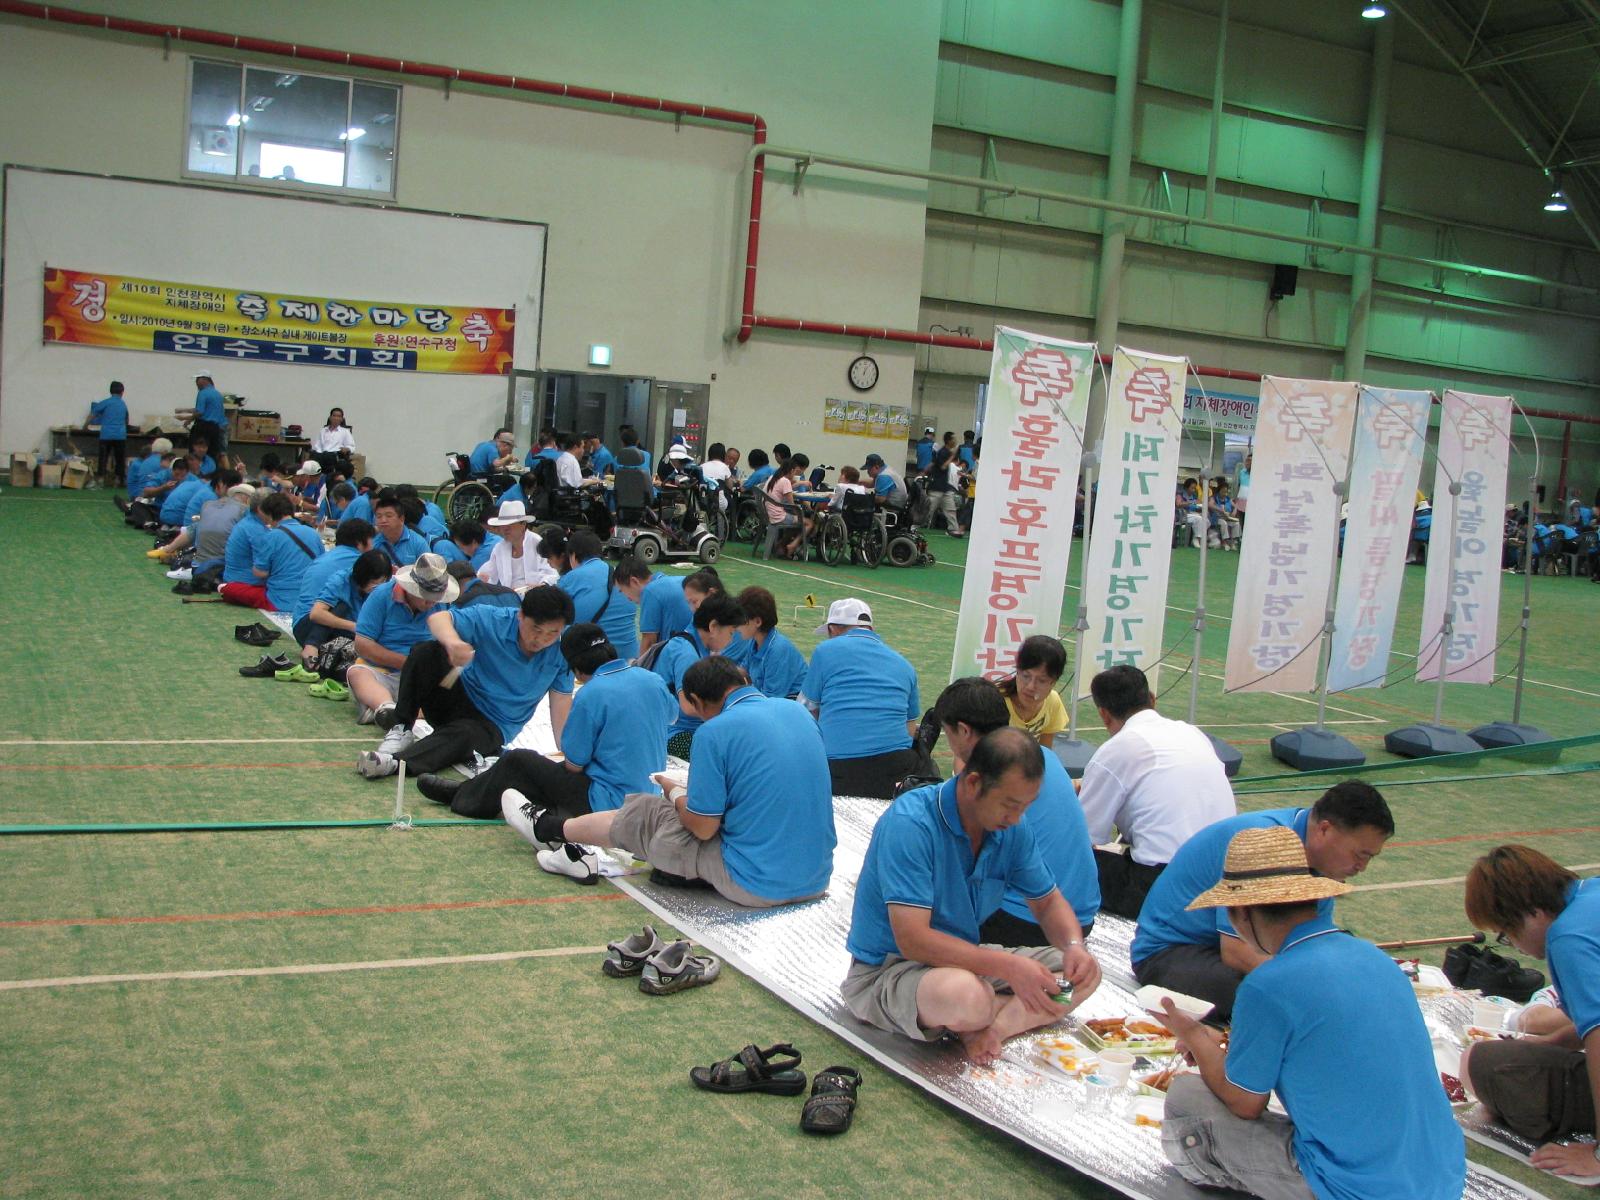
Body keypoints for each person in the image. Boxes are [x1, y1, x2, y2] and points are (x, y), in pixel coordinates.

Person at [1159, 825, 1465, 1200]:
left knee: (1187, 1096)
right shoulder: (1374, 958)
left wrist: (1193, 1036)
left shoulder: (1268, 983)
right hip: (1441, 1180)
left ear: (1240, 912)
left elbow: (1244, 1102)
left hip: (1353, 1188)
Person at [843, 727, 1102, 1064]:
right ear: (973, 783)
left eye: (1025, 807)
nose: (1016, 818)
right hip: (889, 970)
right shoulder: (912, 823)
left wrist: (1073, 947)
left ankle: (993, 1029)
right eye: (1010, 805)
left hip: (964, 957)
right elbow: (913, 941)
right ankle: (986, 1014)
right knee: (967, 996)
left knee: (1085, 973)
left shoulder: (1010, 828)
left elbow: (1048, 901)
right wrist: (1010, 968)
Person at [508, 656, 837, 902]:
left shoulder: (714, 731)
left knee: (649, 812)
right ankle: (559, 835)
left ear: (697, 701)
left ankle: (550, 831)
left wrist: (674, 792)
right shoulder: (796, 712)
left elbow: (703, 827)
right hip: (817, 875)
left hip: (757, 883)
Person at [1132, 780, 1394, 1021]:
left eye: (1370, 857)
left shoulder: (1322, 863)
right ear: (1324, 829)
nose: (1362, 866)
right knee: (1275, 1002)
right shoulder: (1260, 842)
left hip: (1232, 948)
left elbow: (1311, 943)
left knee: (1311, 995)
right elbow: (1236, 952)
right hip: (1171, 951)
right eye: (1360, 854)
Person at [420, 622, 677, 819]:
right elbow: (672, 716)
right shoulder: (651, 679)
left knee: (518, 760)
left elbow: (575, 764)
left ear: (575, 668)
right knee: (539, 775)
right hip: (647, 797)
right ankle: (471, 790)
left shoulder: (592, 692)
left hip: (604, 800)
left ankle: (463, 798)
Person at [1461, 845, 1599, 1175]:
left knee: (1485, 1064)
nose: (1515, 946)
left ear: (1531, 913)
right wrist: (1555, 1043)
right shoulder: (1590, 894)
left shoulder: (1568, 938)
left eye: (1507, 935)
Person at [937, 678, 1100, 947]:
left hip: (1026, 921)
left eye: (948, 733)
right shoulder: (1043, 756)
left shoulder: (982, 782)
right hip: (1077, 920)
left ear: (963, 731)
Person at [358, 581, 575, 781]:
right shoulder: (494, 619)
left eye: (552, 633)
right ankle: (402, 726)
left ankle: (395, 763)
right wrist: (453, 643)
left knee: (465, 735)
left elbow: (561, 708)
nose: (542, 639)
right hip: (459, 695)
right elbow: (438, 619)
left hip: (493, 725)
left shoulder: (563, 651)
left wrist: (568, 756)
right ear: (520, 615)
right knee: (427, 651)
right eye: (536, 629)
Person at [1076, 665, 1237, 918]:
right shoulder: (1191, 732)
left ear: (1104, 714)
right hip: (1225, 876)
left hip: (1164, 885)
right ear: (1152, 699)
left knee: (1069, 860)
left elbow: (1084, 837)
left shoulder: (1115, 749)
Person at [801, 598, 928, 799]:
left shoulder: (824, 652)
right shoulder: (905, 665)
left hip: (838, 771)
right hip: (896, 771)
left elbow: (805, 712)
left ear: (833, 629)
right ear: (871, 628)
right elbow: (910, 728)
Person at [348, 552, 456, 726]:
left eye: (435, 599)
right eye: (426, 598)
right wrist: (408, 663)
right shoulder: (382, 595)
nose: (431, 604)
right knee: (357, 673)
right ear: (410, 588)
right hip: (382, 671)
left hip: (423, 677)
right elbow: (362, 644)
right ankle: (387, 709)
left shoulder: (441, 605)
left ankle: (387, 709)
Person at [650, 591, 746, 759]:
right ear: (713, 627)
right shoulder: (686, 653)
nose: (730, 641)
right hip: (673, 734)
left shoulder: (696, 643)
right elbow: (688, 707)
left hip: (684, 729)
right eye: (731, 633)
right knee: (728, 756)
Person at [290, 518, 377, 657]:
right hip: (319, 626)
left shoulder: (325, 556)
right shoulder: (359, 565)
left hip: (299, 625)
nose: (374, 545)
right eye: (372, 540)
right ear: (361, 542)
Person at [557, 529, 639, 661]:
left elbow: (551, 614)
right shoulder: (621, 576)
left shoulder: (572, 578)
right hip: (630, 657)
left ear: (573, 555)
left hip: (593, 660)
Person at [250, 491, 324, 612]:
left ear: (270, 515)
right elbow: (321, 563)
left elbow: (260, 573)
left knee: (234, 589)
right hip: (311, 599)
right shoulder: (312, 533)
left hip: (280, 599)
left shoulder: (271, 536)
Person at [735, 586, 807, 700]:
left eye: (740, 619)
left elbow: (770, 701)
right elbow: (743, 671)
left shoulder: (778, 650)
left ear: (757, 622)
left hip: (793, 705)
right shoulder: (754, 641)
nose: (736, 626)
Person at [616, 554, 692, 659]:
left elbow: (649, 642)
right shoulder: (674, 581)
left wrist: (639, 670)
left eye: (622, 590)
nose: (627, 598)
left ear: (634, 581)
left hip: (682, 656)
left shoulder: (650, 591)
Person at [1000, 635, 1068, 747]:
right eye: (1026, 676)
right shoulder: (996, 701)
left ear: (1053, 682)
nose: (1031, 687)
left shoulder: (1052, 702)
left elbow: (1045, 753)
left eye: (1041, 681)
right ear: (1017, 671)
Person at [479, 500, 557, 591]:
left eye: (510, 524)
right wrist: (481, 577)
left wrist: (541, 585)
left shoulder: (537, 543)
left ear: (523, 524)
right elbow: (487, 573)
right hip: (509, 598)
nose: (505, 528)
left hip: (536, 596)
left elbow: (552, 574)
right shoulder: (499, 548)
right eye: (503, 524)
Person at [217, 492, 270, 607]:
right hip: (248, 583)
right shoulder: (256, 530)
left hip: (233, 579)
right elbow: (263, 568)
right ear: (261, 509)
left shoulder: (247, 523)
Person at [763, 452, 811, 559]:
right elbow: (792, 505)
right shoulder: (785, 481)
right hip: (778, 516)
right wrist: (800, 515)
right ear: (792, 470)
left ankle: (780, 545)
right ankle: (793, 545)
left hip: (768, 513)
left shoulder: (774, 477)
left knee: (796, 521)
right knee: (809, 523)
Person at [181, 373, 229, 468]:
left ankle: (195, 470)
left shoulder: (203, 393)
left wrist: (188, 420)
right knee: (215, 453)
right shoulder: (217, 394)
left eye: (197, 380)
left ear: (204, 380)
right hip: (216, 428)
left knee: (196, 451)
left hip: (203, 427)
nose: (196, 384)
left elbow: (200, 412)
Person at [371, 491, 430, 566]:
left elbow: (428, 573)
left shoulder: (418, 543)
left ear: (402, 519)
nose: (383, 520)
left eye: (389, 516)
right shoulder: (373, 543)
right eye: (379, 516)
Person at [88, 381, 129, 485]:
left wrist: (85, 425)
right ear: (122, 392)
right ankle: (119, 480)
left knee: (103, 458)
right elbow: (126, 420)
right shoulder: (123, 404)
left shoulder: (106, 402)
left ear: (110, 391)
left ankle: (101, 479)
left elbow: (93, 414)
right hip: (120, 435)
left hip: (106, 435)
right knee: (119, 459)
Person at [929, 433, 965, 537]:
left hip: (945, 487)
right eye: (954, 439)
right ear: (948, 441)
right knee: (929, 509)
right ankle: (915, 525)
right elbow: (943, 467)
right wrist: (952, 456)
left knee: (951, 509)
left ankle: (953, 529)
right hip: (936, 487)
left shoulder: (947, 452)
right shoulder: (942, 452)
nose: (955, 441)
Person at [122, 436, 173, 509]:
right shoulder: (162, 463)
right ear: (165, 451)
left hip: (140, 494)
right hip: (149, 497)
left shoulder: (146, 461)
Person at [311, 407, 356, 478]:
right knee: (313, 458)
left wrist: (347, 449)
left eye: (338, 416)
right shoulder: (323, 431)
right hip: (322, 455)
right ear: (330, 417)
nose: (336, 418)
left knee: (329, 457)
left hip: (335, 455)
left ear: (341, 419)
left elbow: (352, 447)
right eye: (334, 415)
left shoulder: (345, 432)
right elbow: (317, 446)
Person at [1208, 477, 1241, 550]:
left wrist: (1234, 511)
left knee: (1236, 523)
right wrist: (1220, 510)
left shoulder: (1228, 499)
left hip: (1227, 518)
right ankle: (1224, 541)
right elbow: (1210, 505)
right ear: (1219, 491)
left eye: (1226, 492)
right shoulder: (1214, 497)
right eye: (1223, 492)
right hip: (1217, 518)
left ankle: (1233, 541)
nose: (1225, 494)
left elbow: (1236, 506)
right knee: (1224, 523)